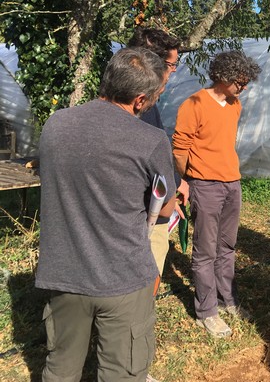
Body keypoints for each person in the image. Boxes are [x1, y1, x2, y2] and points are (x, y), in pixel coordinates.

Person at [36, 47, 177, 381]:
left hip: (64, 275)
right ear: (140, 99)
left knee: (60, 370)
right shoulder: (150, 138)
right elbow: (166, 207)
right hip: (123, 277)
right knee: (123, 373)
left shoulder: (56, 124)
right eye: (156, 96)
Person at [173, 50, 261, 338]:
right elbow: (180, 148)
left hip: (232, 183)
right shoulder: (193, 104)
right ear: (223, 76)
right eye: (240, 81)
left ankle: (228, 300)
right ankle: (206, 311)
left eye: (246, 82)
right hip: (205, 185)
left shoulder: (235, 104)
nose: (243, 87)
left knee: (227, 247)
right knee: (205, 251)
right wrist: (185, 180)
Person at [127, 27, 189, 275]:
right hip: (145, 214)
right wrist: (174, 186)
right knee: (146, 277)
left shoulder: (120, 99)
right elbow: (153, 159)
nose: (172, 72)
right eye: (171, 65)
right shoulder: (141, 105)